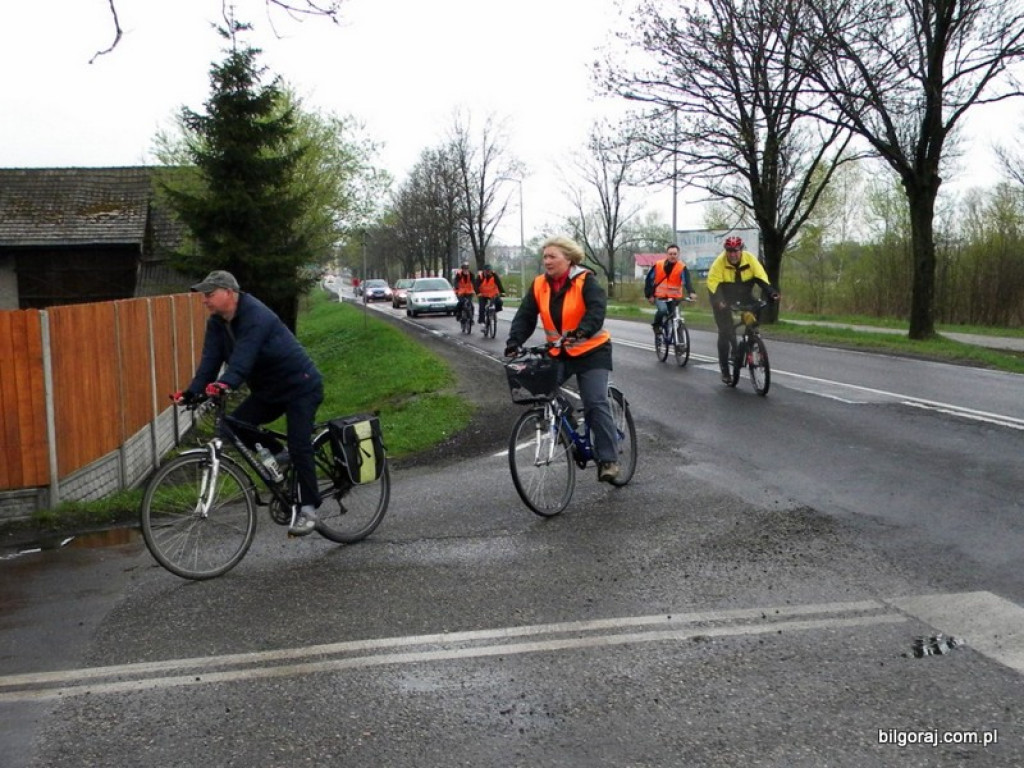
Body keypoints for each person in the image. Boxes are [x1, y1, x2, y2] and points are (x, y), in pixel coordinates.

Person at [172, 270, 325, 536]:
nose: (204, 300)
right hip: (268, 390)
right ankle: (280, 457)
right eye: (203, 295)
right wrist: (192, 393)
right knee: (235, 425)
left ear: (229, 293)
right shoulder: (217, 324)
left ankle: (309, 509)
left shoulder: (256, 315)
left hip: (300, 386)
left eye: (209, 294)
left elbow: (243, 358)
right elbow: (209, 362)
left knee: (299, 444)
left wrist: (226, 384)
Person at [504, 237, 621, 483]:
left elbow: (596, 310)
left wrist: (582, 330)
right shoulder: (539, 285)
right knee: (539, 389)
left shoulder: (585, 280)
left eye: (552, 256)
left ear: (568, 258)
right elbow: (525, 316)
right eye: (544, 257)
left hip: (592, 351)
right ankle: (567, 428)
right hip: (560, 352)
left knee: (595, 401)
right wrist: (514, 341)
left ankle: (608, 459)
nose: (546, 261)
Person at [706, 237, 780, 384]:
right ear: (726, 251)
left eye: (736, 251)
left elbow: (761, 279)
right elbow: (713, 285)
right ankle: (725, 370)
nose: (733, 254)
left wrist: (772, 292)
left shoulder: (750, 259)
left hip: (745, 295)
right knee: (726, 332)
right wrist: (719, 302)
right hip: (724, 297)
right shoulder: (719, 263)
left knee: (756, 311)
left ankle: (751, 338)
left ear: (741, 250)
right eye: (729, 251)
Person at [643, 243, 696, 338]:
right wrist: (649, 295)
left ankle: (680, 343)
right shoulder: (658, 265)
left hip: (675, 298)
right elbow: (649, 280)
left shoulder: (681, 267)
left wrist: (691, 292)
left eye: (675, 254)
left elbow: (687, 281)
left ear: (678, 254)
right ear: (667, 255)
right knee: (663, 310)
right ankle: (657, 325)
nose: (672, 256)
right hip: (660, 296)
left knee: (677, 318)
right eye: (670, 254)